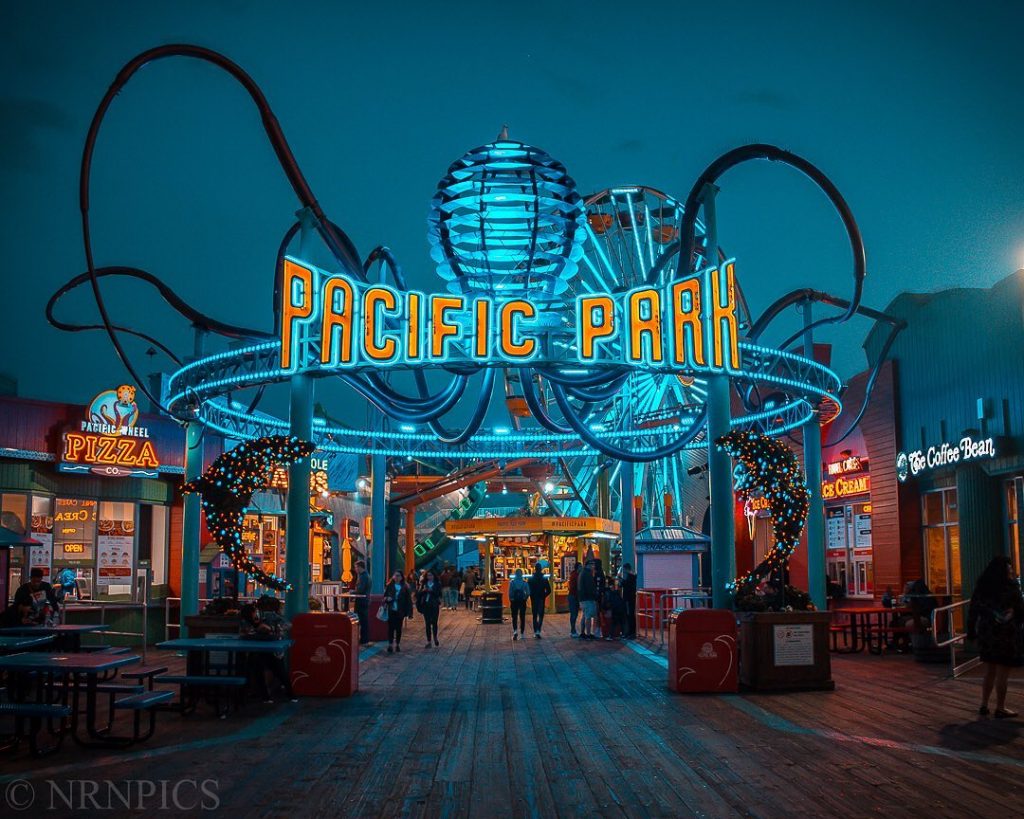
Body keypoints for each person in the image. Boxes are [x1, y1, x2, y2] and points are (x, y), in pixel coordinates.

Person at [968, 556, 1024, 718]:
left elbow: (974, 608)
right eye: (1009, 568)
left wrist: (971, 630)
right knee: (1002, 673)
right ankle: (1000, 707)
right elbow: (1020, 610)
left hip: (987, 632)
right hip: (1007, 633)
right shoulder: (1011, 587)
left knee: (990, 670)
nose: (1012, 571)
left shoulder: (983, 586)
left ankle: (984, 704)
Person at [240, 597, 295, 702]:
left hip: (271, 651)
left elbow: (287, 625)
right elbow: (246, 634)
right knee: (260, 666)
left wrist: (272, 630)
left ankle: (271, 695)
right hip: (262, 651)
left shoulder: (269, 617)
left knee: (271, 667)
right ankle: (268, 695)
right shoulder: (247, 621)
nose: (258, 612)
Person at [383, 570, 413, 653]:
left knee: (399, 628)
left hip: (400, 610)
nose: (396, 577)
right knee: (391, 628)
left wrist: (409, 612)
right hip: (391, 609)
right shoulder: (390, 586)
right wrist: (387, 599)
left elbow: (408, 600)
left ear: (402, 577)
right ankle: (390, 644)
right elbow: (385, 596)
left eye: (398, 576)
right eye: (395, 575)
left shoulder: (405, 587)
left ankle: (397, 644)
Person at [417, 570, 442, 648]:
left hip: (434, 605)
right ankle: (429, 641)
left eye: (431, 575)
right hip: (426, 605)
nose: (429, 577)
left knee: (434, 622)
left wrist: (432, 591)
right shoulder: (424, 584)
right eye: (428, 575)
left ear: (434, 576)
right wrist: (423, 591)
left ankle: (435, 637)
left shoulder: (437, 584)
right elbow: (419, 593)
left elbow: (439, 594)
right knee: (427, 623)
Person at [527, 563, 552, 638]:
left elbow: (528, 589)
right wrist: (544, 595)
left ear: (535, 568)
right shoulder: (544, 578)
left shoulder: (531, 578)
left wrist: (530, 595)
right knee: (541, 615)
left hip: (534, 598)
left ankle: (535, 631)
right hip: (541, 598)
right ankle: (538, 629)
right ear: (541, 569)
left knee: (534, 615)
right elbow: (549, 590)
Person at [577, 561, 598, 640]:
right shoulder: (587, 574)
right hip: (588, 598)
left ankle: (583, 633)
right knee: (589, 616)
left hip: (582, 598)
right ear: (588, 565)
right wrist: (594, 595)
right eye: (592, 564)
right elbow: (590, 587)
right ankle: (589, 634)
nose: (593, 566)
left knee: (585, 616)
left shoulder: (582, 573)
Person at [508, 568, 529, 640]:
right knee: (522, 617)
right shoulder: (524, 582)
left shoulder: (512, 582)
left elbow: (510, 593)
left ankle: (515, 631)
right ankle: (522, 634)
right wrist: (525, 598)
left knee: (514, 616)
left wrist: (511, 599)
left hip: (514, 601)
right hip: (522, 601)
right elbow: (528, 592)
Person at [354, 560, 371, 644]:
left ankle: (364, 639)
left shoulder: (363, 577)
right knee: (364, 620)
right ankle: (364, 638)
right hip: (364, 600)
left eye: (356, 567)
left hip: (362, 601)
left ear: (360, 567)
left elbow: (361, 589)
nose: (355, 569)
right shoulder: (365, 576)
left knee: (363, 621)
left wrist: (353, 591)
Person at [620, 563, 637, 638]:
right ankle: (631, 632)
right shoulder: (633, 577)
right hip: (631, 598)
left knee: (629, 615)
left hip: (628, 598)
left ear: (626, 569)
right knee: (631, 615)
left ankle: (630, 632)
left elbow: (624, 585)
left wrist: (621, 580)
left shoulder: (629, 577)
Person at [567, 563, 581, 637]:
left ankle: (573, 630)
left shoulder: (574, 575)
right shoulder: (576, 575)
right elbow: (575, 587)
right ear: (577, 568)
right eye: (580, 567)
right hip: (574, 596)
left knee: (574, 614)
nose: (581, 568)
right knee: (574, 614)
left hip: (572, 596)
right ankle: (573, 630)